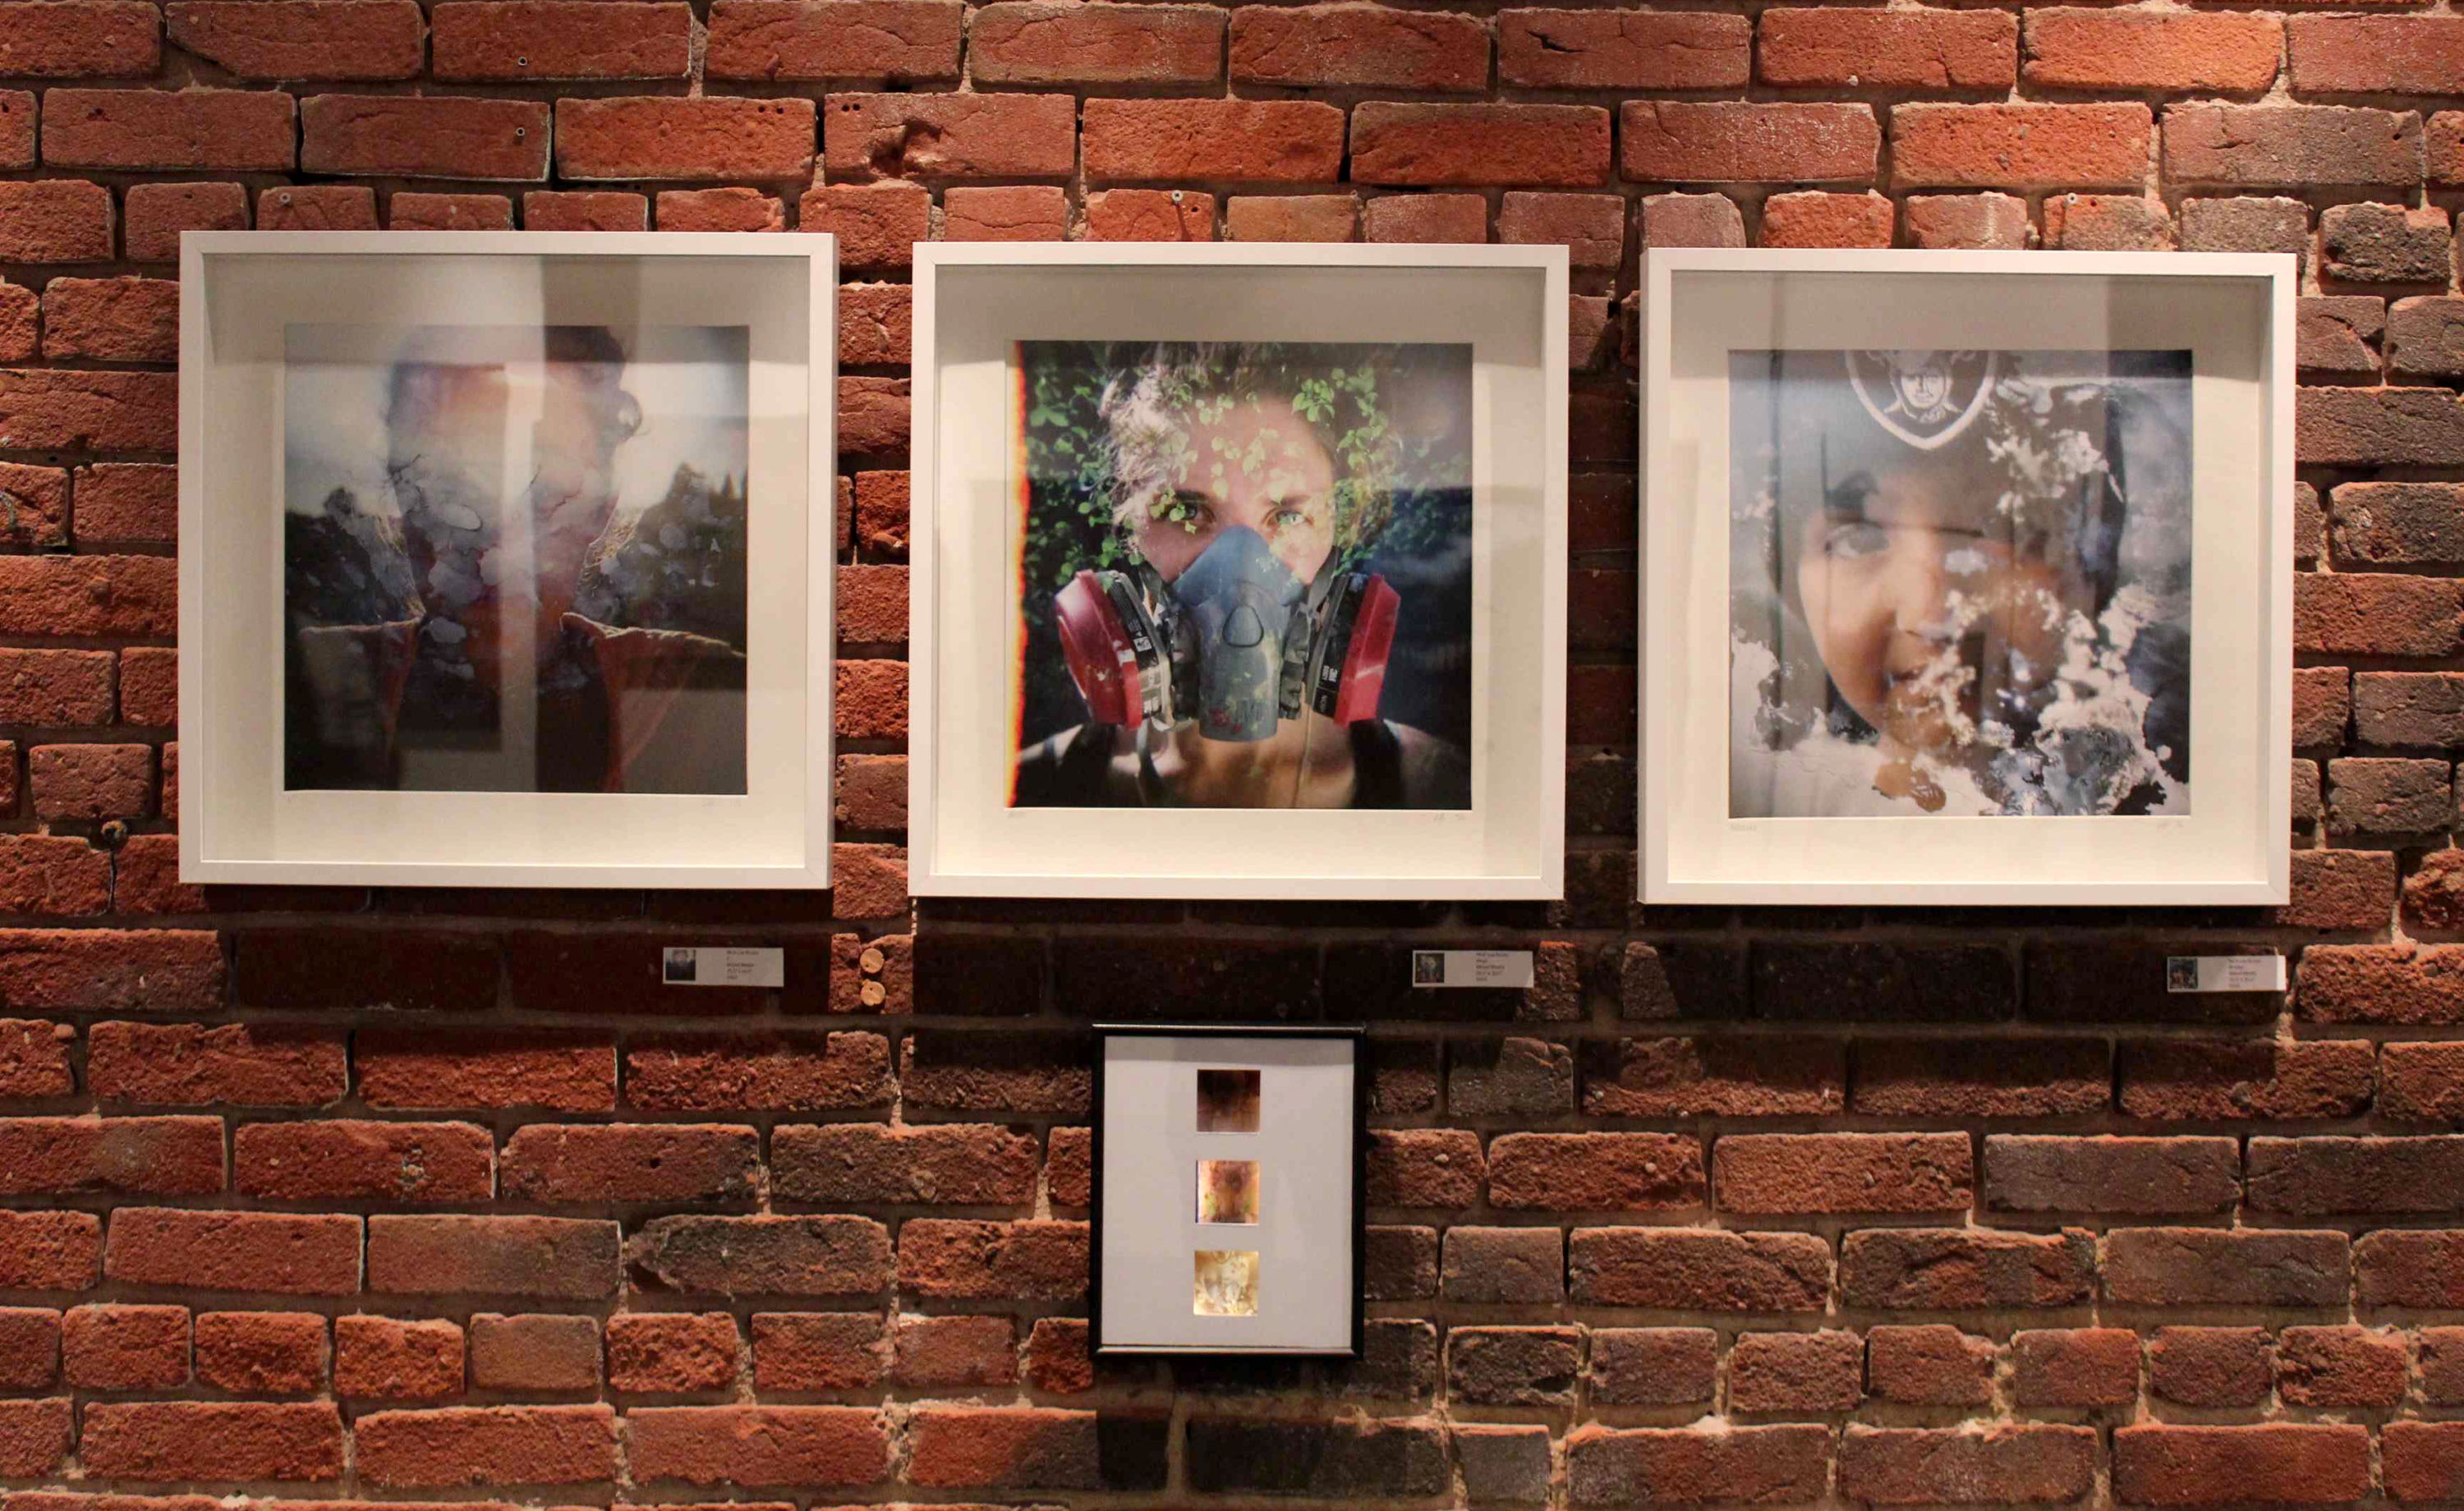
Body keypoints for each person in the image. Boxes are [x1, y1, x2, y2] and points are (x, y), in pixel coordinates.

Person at [284, 325, 749, 795]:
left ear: (603, 511)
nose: (494, 553)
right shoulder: (300, 684)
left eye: (544, 493)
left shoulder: (700, 696)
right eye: (448, 490)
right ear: (401, 505)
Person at [1732, 348, 2190, 818]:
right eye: (1858, 540)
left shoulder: (2171, 813)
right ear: (1795, 587)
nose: (1931, 616)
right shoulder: (1782, 818)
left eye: (2002, 528)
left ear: (2091, 570)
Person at [1014, 342, 1470, 809]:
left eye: (1287, 516)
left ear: (1339, 531)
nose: (1243, 568)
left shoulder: (1441, 788)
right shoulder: (1031, 791)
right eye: (1188, 511)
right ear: (1130, 532)